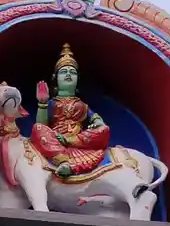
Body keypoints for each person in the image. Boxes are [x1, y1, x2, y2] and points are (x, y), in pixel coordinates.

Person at [30, 43, 110, 178]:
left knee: (105, 130)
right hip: (55, 140)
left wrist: (98, 124)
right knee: (38, 129)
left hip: (78, 140)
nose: (68, 74)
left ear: (78, 79)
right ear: (56, 78)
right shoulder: (52, 103)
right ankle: (65, 162)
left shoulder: (83, 105)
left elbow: (100, 123)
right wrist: (43, 103)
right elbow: (42, 125)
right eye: (64, 72)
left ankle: (69, 154)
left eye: (72, 72)